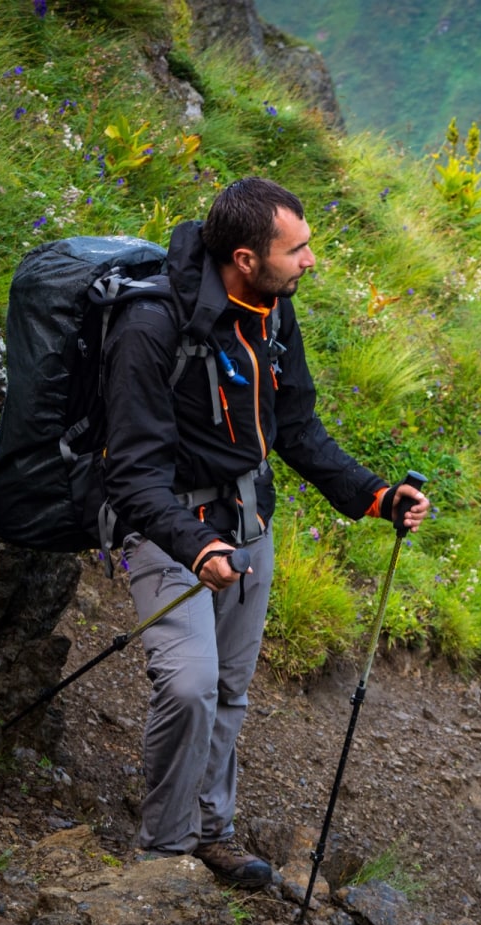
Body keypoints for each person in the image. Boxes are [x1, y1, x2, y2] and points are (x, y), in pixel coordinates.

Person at [101, 176, 429, 887]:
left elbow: (299, 429)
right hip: (164, 533)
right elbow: (131, 474)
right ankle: (163, 854)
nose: (310, 260)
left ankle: (212, 832)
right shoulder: (152, 327)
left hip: (248, 526)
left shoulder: (273, 315)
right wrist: (196, 544)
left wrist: (375, 495)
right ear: (246, 257)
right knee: (191, 684)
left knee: (229, 690)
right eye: (298, 248)